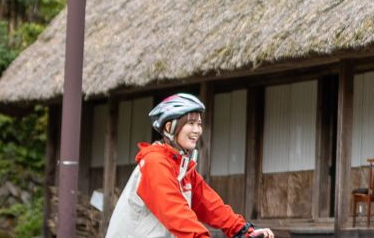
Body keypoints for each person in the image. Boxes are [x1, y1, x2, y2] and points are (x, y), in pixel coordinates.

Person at [106, 93, 274, 238]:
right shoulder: (155, 163)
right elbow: (176, 213)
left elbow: (211, 205)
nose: (197, 130)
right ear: (169, 127)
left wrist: (242, 230)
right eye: (190, 123)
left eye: (199, 124)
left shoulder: (182, 167)